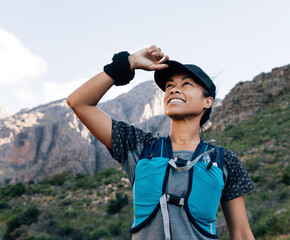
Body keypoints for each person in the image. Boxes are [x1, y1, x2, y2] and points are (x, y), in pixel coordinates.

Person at [67, 45, 255, 240]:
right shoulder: (139, 147)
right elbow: (78, 102)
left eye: (186, 84)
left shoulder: (224, 160)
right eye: (169, 86)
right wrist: (128, 62)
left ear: (207, 101)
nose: (174, 90)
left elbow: (241, 234)